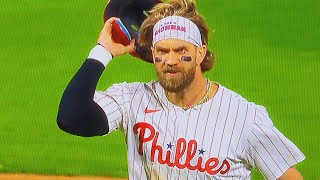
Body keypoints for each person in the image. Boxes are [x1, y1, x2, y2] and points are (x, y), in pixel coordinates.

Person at [57, 0, 305, 179]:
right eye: (162, 51)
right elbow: (71, 118)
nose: (170, 60)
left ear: (200, 54)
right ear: (152, 53)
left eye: (181, 51)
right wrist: (102, 51)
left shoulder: (244, 117)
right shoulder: (132, 99)